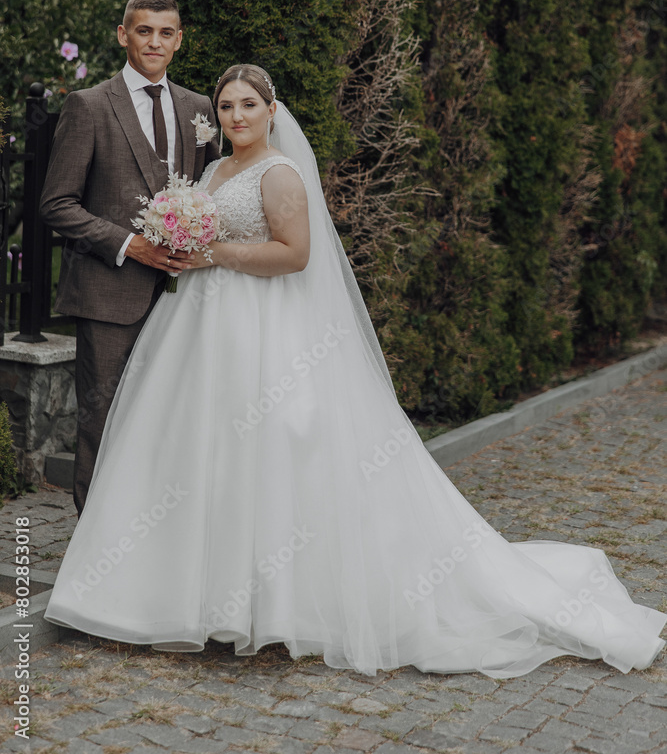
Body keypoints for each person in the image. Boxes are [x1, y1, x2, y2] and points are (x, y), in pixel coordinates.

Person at [44, 64, 666, 679]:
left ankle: (276, 604)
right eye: (227, 106)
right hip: (201, 329)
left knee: (274, 452)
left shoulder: (281, 173)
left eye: (248, 106)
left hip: (262, 328)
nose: (236, 117)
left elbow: (295, 255)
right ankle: (190, 595)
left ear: (271, 110)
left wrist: (212, 253)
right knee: (202, 454)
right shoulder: (211, 170)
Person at [39, 0, 220, 516]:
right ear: (124, 35)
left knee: (170, 419)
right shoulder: (89, 105)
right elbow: (56, 204)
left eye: (166, 33)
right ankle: (92, 550)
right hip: (107, 296)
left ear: (179, 40)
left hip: (184, 297)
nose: (155, 42)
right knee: (103, 420)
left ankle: (152, 540)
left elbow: (209, 189)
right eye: (144, 31)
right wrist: (129, 244)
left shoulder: (199, 109)